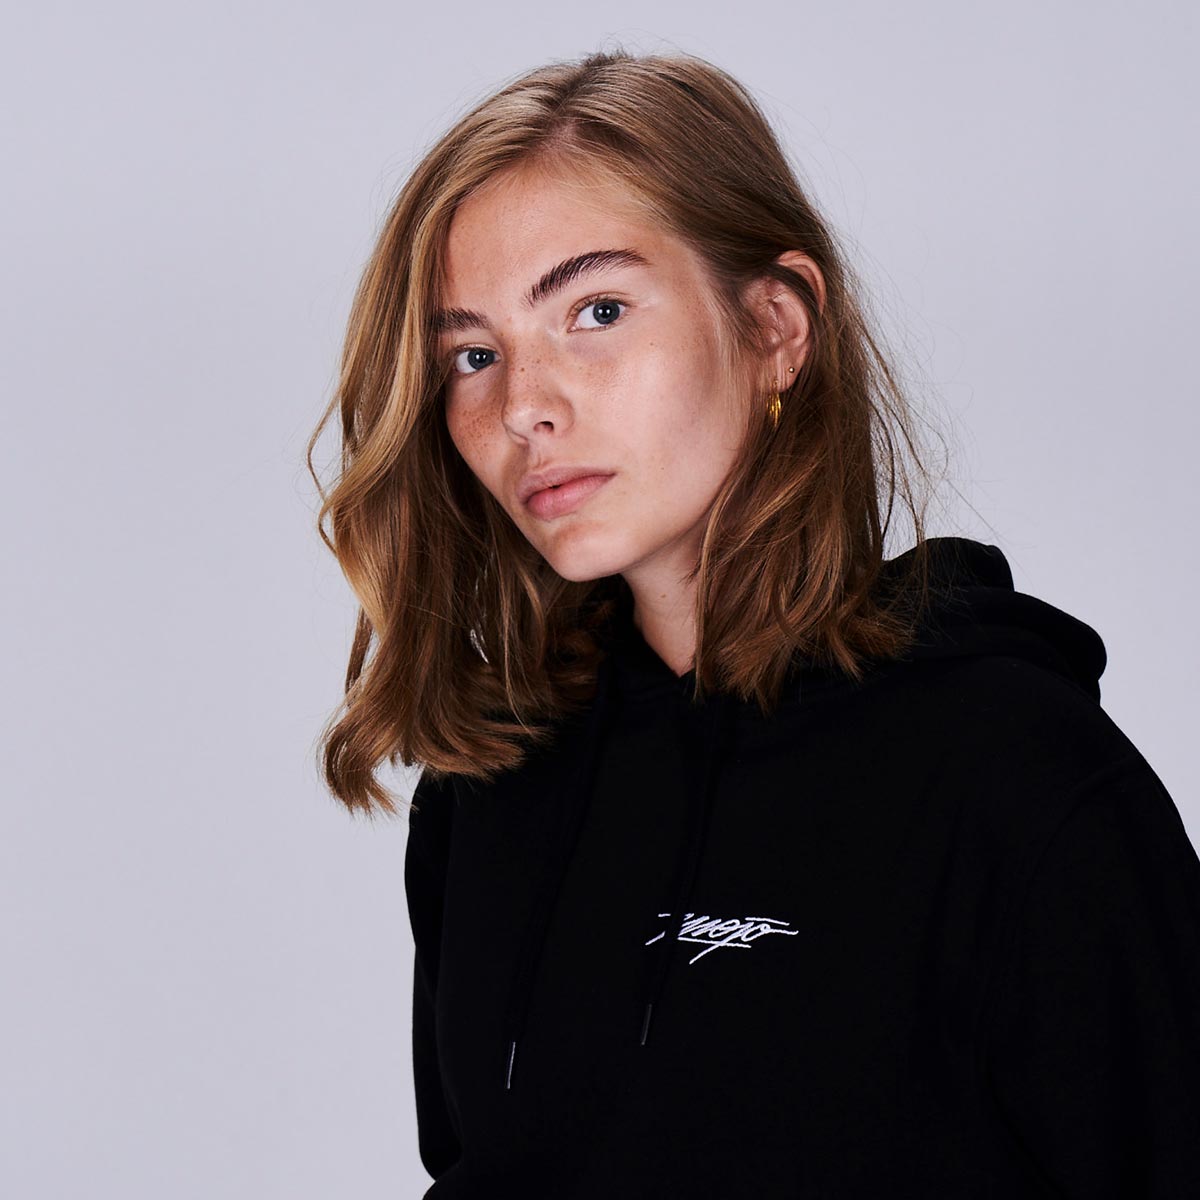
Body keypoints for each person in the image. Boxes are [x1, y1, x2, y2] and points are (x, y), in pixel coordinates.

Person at [306, 47, 1200, 1198]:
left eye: (596, 311)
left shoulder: (1015, 776)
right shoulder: (493, 787)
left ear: (775, 327)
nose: (523, 405)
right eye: (473, 355)